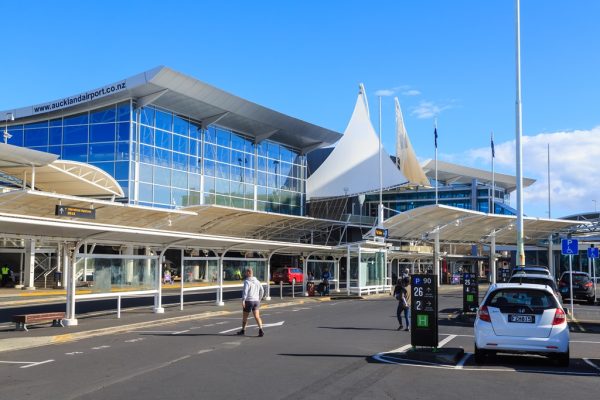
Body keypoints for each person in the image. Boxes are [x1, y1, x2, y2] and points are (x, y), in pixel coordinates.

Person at [237, 267, 265, 337]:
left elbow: (245, 292)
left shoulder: (247, 281)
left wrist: (243, 300)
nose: (245, 273)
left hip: (248, 301)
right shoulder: (257, 281)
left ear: (249, 272)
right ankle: (261, 330)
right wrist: (259, 299)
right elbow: (262, 290)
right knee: (257, 316)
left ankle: (243, 330)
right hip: (256, 301)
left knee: (245, 317)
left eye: (246, 272)